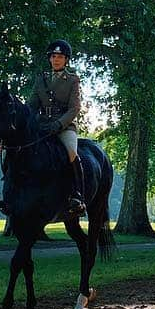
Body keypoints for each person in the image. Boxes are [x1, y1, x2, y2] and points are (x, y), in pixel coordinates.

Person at [33, 39, 86, 216]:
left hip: (64, 127)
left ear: (66, 60)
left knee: (71, 152)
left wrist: (59, 124)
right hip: (42, 125)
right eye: (53, 56)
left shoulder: (72, 80)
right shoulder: (41, 79)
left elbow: (74, 108)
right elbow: (32, 105)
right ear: (49, 58)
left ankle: (77, 194)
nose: (56, 59)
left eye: (60, 57)